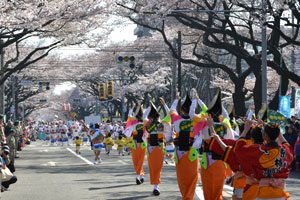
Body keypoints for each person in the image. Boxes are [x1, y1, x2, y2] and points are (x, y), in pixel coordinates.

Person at [234, 121, 293, 200]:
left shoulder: (259, 150)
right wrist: (279, 133)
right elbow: (287, 145)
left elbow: (239, 149)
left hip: (264, 194)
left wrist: (245, 130)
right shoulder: (284, 150)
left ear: (265, 135)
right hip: (280, 194)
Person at [161, 92, 204, 200]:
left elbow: (171, 110)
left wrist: (176, 99)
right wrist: (197, 100)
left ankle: (185, 196)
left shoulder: (177, 120)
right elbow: (206, 110)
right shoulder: (196, 120)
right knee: (192, 177)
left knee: (181, 177)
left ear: (182, 110)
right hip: (192, 152)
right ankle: (188, 196)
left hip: (179, 153)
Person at [143, 102, 172, 196]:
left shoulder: (148, 126)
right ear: (158, 116)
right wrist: (164, 105)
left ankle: (155, 185)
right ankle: (156, 186)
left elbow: (144, 138)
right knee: (158, 167)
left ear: (150, 117)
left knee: (152, 167)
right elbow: (170, 115)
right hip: (160, 147)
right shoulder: (162, 125)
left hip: (150, 148)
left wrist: (149, 107)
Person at [124, 102, 147, 185]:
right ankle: (140, 176)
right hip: (142, 143)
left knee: (136, 160)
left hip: (136, 143)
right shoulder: (144, 122)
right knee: (140, 160)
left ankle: (138, 176)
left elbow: (129, 115)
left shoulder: (133, 122)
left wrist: (133, 107)